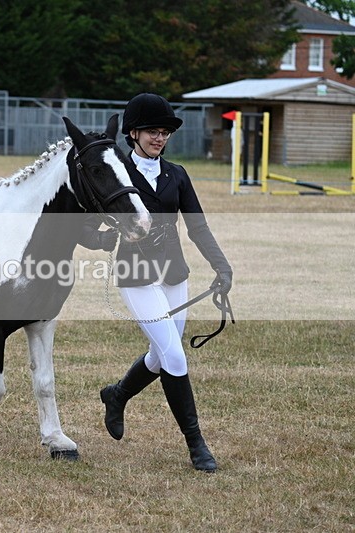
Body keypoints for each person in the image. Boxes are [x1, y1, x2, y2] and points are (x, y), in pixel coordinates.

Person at [79, 93, 233, 472]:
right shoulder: (117, 173)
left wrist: (222, 267)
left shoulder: (177, 174)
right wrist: (102, 239)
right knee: (174, 356)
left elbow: (197, 226)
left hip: (174, 274)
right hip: (136, 276)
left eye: (164, 132)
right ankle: (196, 445)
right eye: (152, 131)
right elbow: (82, 226)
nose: (159, 138)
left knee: (160, 355)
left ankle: (117, 395)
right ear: (133, 133)